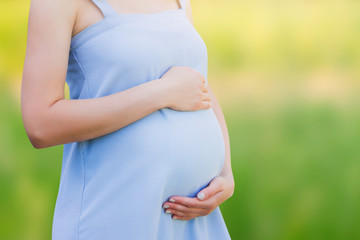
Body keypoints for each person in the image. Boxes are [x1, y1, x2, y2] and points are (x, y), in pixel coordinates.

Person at [21, 0, 235, 239]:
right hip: (117, 215)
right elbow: (41, 124)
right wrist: (161, 93)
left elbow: (194, 84)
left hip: (194, 220)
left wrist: (225, 172)